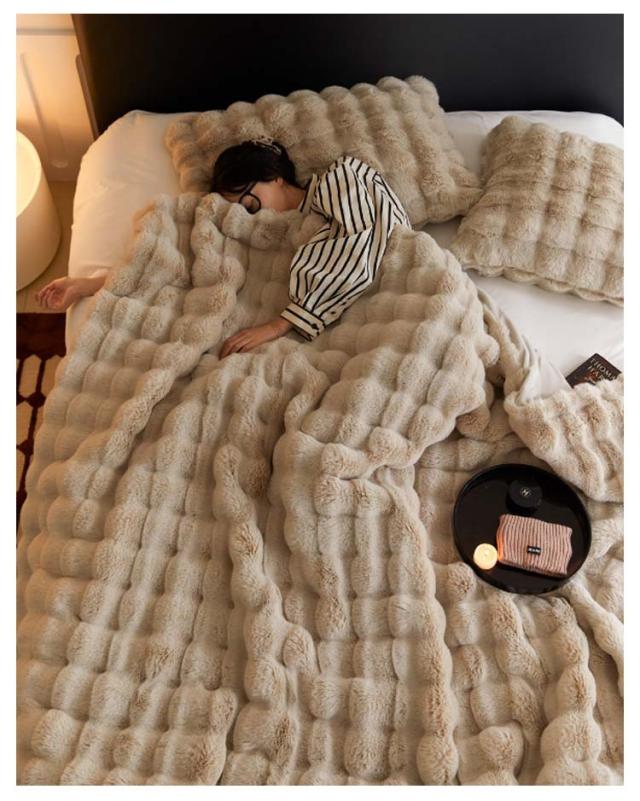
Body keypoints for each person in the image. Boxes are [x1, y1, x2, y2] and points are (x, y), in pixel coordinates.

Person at [35, 138, 412, 357]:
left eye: (248, 198)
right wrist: (91, 284)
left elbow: (366, 241)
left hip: (391, 300)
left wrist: (280, 324)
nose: (248, 211)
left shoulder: (343, 178)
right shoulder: (252, 231)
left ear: (275, 177)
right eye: (239, 207)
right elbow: (177, 264)